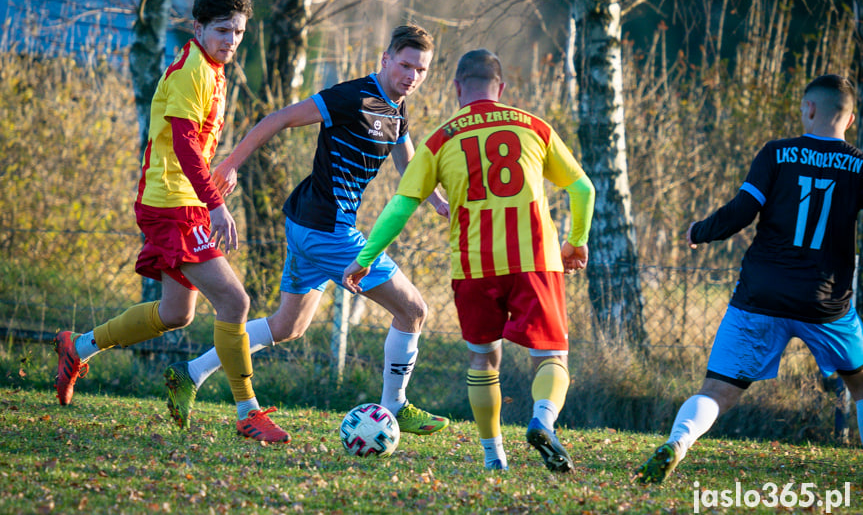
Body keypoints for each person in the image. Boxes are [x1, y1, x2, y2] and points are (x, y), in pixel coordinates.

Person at [162, 24, 451, 437]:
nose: (411, 76)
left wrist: (437, 200)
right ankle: (395, 406)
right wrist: (230, 165)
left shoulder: (397, 109)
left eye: (420, 70)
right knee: (413, 310)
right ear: (386, 59)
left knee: (286, 327)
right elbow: (278, 119)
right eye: (405, 65)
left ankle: (189, 373)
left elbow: (409, 165)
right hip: (326, 231)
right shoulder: (353, 96)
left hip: (307, 225)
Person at [52, 0, 291, 442]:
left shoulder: (211, 68)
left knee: (176, 314)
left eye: (239, 32)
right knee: (235, 301)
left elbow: (190, 145)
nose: (231, 41)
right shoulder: (191, 72)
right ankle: (248, 412)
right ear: (198, 27)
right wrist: (216, 203)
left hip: (181, 201)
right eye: (223, 30)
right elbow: (181, 143)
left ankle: (76, 347)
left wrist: (218, 173)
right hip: (172, 205)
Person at [342, 49, 596, 472]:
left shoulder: (442, 139)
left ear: (457, 88)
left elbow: (402, 205)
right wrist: (576, 242)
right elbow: (583, 189)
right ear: (502, 89)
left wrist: (365, 258)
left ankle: (493, 457)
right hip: (535, 260)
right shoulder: (534, 126)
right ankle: (542, 420)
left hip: (474, 266)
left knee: (483, 359)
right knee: (551, 357)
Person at [637, 74, 863, 484]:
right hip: (825, 303)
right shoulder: (860, 165)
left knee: (717, 392)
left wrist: (700, 231)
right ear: (849, 120)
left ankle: (677, 443)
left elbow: (743, 211)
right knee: (861, 383)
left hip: (760, 297)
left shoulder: (777, 154)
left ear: (810, 109)